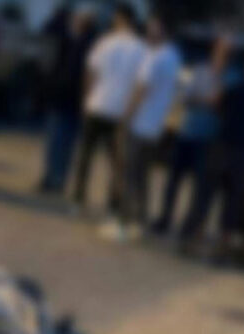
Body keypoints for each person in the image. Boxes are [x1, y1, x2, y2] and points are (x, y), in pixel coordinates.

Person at [179, 53, 244, 260]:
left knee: (205, 194)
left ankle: (192, 235)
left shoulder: (237, 88)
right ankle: (223, 243)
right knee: (233, 201)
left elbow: (217, 104)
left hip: (222, 146)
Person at [104, 14, 180, 241]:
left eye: (153, 29)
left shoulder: (155, 57)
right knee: (141, 175)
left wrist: (126, 117)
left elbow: (141, 89)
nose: (148, 32)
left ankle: (123, 223)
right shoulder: (173, 56)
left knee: (127, 174)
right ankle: (140, 221)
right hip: (154, 126)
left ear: (162, 31)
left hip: (138, 124)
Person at [72, 3, 145, 212]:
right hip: (119, 110)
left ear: (119, 19)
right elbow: (140, 82)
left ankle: (79, 196)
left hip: (98, 103)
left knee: (86, 154)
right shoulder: (140, 48)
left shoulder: (105, 42)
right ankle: (114, 201)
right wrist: (132, 110)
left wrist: (86, 99)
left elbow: (90, 71)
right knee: (116, 161)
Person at [152, 38, 230, 235]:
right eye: (222, 50)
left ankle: (190, 225)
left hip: (209, 139)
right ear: (215, 50)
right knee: (173, 180)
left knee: (199, 186)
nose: (224, 55)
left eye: (228, 52)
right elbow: (185, 97)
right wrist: (206, 101)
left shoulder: (231, 77)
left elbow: (228, 108)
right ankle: (165, 217)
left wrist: (217, 104)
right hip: (188, 132)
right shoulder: (200, 70)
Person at [36, 5, 97, 195]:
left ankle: (57, 179)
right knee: (55, 141)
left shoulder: (88, 44)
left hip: (73, 101)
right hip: (61, 98)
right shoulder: (68, 38)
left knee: (63, 144)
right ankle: (51, 177)